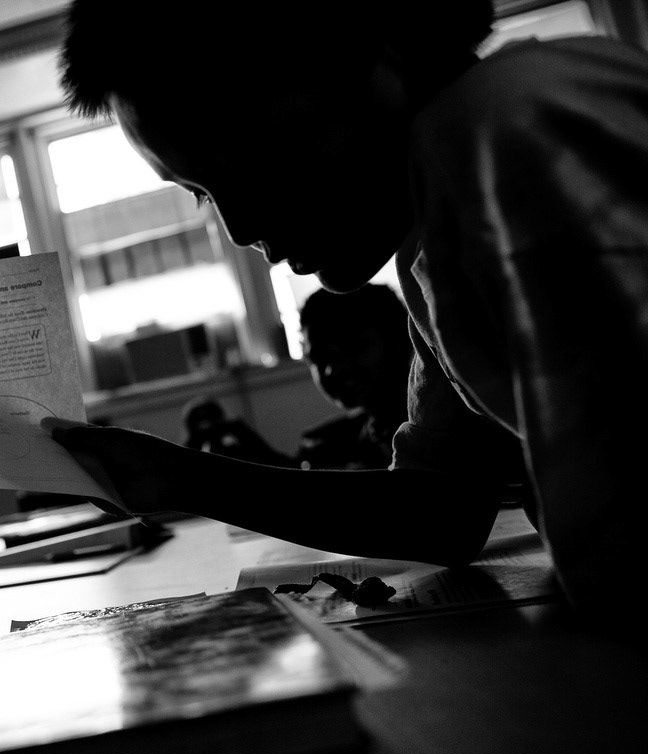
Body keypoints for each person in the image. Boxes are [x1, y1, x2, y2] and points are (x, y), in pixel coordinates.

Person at [50, 0, 648, 623]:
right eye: (203, 194)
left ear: (375, 50)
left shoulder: (514, 121)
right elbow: (441, 511)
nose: (240, 226)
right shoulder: (432, 239)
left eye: (243, 156)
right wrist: (175, 478)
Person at [183, 285, 415, 470]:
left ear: (400, 340)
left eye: (353, 347)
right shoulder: (367, 430)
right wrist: (256, 454)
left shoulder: (426, 430)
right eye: (319, 358)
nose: (332, 370)